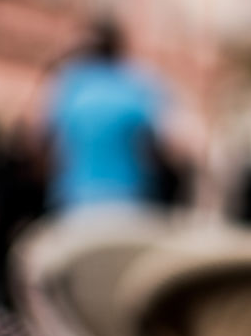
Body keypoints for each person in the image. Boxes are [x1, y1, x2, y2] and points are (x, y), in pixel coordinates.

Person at [44, 20, 175, 211]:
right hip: (131, 199)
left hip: (75, 200)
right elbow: (158, 147)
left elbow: (42, 142)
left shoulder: (68, 85)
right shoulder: (139, 86)